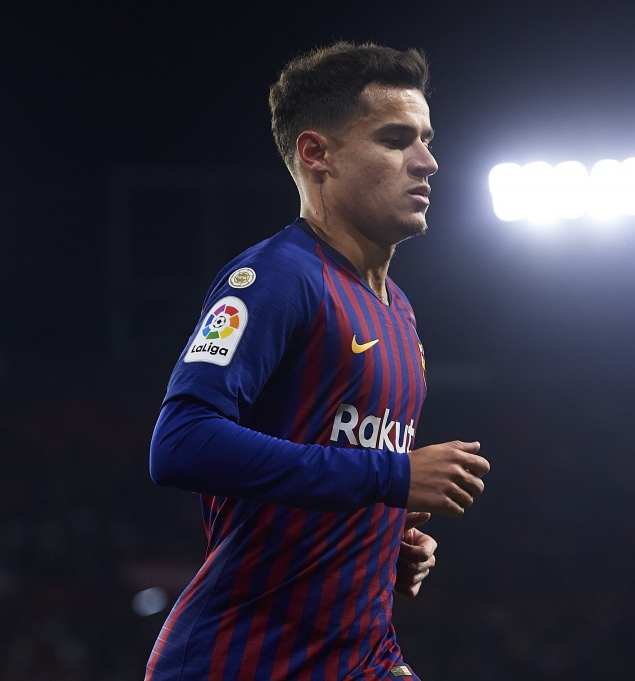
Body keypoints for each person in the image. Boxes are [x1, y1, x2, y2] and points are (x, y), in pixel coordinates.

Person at [144, 42, 491, 681]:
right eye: (395, 140)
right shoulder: (275, 278)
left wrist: (379, 540)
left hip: (360, 654)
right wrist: (390, 478)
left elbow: (332, 461)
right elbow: (179, 444)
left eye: (425, 139)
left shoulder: (398, 310)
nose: (427, 162)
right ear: (316, 154)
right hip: (246, 660)